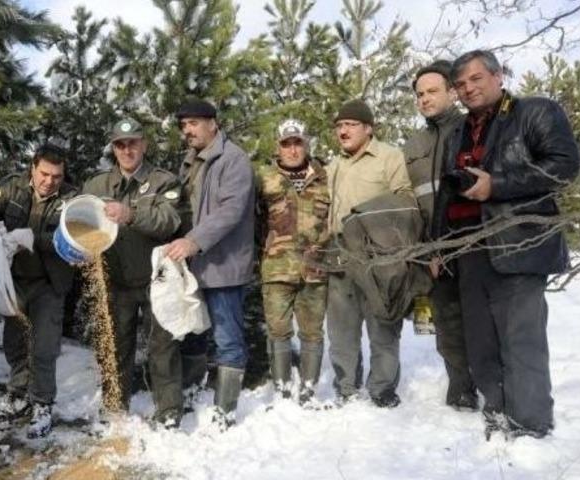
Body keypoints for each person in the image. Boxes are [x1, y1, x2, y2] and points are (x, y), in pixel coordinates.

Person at [432, 50, 580, 439]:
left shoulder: (534, 112)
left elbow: (565, 165)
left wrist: (497, 185)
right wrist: (437, 246)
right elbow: (445, 196)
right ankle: (497, 410)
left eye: (476, 79)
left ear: (498, 76)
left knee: (520, 339)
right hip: (467, 250)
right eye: (461, 84)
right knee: (481, 340)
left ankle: (530, 425)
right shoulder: (457, 132)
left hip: (517, 245)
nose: (468, 89)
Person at [82, 118, 184, 426]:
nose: (127, 150)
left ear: (144, 144)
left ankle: (167, 413)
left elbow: (169, 222)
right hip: (116, 282)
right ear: (113, 148)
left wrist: (130, 214)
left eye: (133, 143)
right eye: (120, 144)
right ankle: (114, 408)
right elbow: (80, 225)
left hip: (157, 281)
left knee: (162, 350)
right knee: (115, 348)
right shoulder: (95, 186)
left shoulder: (164, 181)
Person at [0, 143, 77, 438]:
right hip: (13, 280)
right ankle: (18, 393)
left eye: (57, 176)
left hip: (49, 284)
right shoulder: (12, 187)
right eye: (44, 174)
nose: (49, 181)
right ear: (33, 167)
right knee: (15, 341)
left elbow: (72, 238)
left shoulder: (72, 199)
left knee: (44, 346)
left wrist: (33, 238)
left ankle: (42, 403)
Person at [164, 99, 255, 429]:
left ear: (213, 123)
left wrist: (194, 241)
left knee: (228, 338)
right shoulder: (191, 162)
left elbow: (230, 211)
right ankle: (190, 393)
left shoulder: (234, 159)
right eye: (183, 125)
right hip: (195, 267)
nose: (187, 130)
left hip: (225, 265)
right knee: (193, 334)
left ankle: (225, 410)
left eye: (194, 123)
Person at [326, 99, 414, 408]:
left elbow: (405, 199)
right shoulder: (334, 165)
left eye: (350, 125)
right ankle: (346, 388)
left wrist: (371, 223)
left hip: (378, 255)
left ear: (368, 128)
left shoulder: (389, 157)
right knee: (341, 329)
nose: (343, 131)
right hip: (339, 253)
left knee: (383, 325)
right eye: (339, 126)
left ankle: (382, 389)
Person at [403, 60, 478, 411]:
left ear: (452, 92)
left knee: (481, 320)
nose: (424, 99)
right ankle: (461, 388)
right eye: (419, 94)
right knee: (443, 322)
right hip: (431, 249)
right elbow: (409, 201)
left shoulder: (472, 129)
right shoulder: (413, 142)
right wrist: (422, 250)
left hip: (472, 242)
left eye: (432, 91)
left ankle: (494, 385)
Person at [255, 119, 330, 405]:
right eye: (287, 144)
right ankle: (282, 387)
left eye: (298, 142)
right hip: (276, 268)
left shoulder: (325, 176)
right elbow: (252, 219)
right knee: (278, 330)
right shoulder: (264, 178)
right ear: (278, 147)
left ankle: (309, 388)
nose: (293, 149)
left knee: (312, 331)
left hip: (315, 268)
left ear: (306, 143)